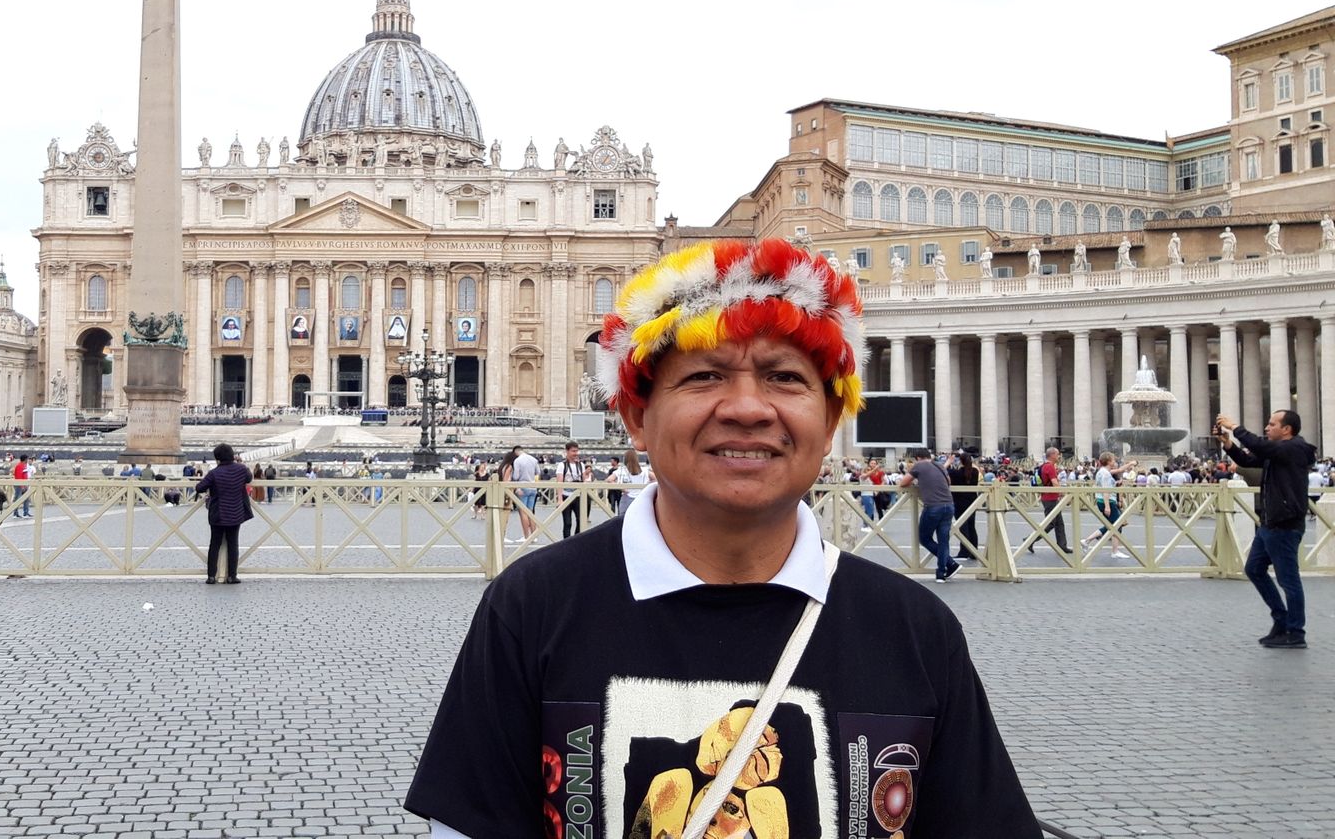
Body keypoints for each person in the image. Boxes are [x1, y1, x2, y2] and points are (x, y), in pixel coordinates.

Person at [406, 237, 1035, 837]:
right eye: (703, 377)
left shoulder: (916, 629)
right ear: (636, 418)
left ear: (832, 416)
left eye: (784, 377)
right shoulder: (530, 610)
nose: (747, 408)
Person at [1218, 410, 1317, 649]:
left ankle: (1296, 631)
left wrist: (1235, 427)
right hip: (1270, 522)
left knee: (1289, 580)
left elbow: (1260, 446)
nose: (1266, 428)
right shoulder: (1278, 451)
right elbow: (1248, 460)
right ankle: (1281, 620)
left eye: (1272, 424)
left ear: (1287, 429)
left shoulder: (1294, 448)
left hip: (1284, 523)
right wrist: (1229, 444)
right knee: (1254, 569)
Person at [195, 443, 253, 584]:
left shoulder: (214, 473)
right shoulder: (241, 470)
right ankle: (232, 576)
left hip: (218, 514)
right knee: (233, 545)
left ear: (217, 458)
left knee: (214, 544)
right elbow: (249, 478)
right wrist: (241, 463)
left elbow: (199, 487)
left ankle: (211, 576)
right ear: (232, 456)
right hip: (236, 513)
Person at [901, 447, 961, 581]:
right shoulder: (939, 466)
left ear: (917, 458)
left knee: (925, 538)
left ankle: (950, 563)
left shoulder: (919, 466)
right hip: (949, 505)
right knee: (943, 541)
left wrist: (918, 481)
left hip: (934, 506)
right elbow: (948, 482)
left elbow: (903, 483)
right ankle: (941, 574)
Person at [1083, 452, 1136, 559]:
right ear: (1109, 461)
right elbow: (1106, 490)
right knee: (1117, 525)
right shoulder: (1106, 474)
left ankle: (1087, 541)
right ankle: (1114, 551)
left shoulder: (1102, 471)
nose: (1115, 461)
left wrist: (1130, 464)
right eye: (1113, 460)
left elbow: (1120, 470)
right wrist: (1107, 506)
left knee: (1112, 525)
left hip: (1102, 501)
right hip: (1107, 501)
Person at [1021, 446, 1067, 554]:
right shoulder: (1050, 467)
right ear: (1052, 455)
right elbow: (1055, 483)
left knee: (1059, 523)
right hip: (1050, 498)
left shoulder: (1044, 466)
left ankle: (1062, 545)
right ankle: (1029, 540)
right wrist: (1064, 493)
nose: (1059, 456)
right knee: (1050, 523)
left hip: (1049, 497)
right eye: (1057, 454)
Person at [947, 452, 982, 557]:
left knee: (962, 527)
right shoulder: (975, 472)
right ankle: (973, 551)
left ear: (960, 461)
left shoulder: (955, 473)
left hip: (959, 502)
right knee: (971, 526)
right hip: (972, 501)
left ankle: (964, 551)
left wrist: (949, 462)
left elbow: (942, 471)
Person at [609, 447, 652, 518]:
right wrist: (647, 486)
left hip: (627, 497)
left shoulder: (621, 470)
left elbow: (609, 479)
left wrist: (621, 487)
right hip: (641, 497)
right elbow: (656, 479)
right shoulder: (644, 470)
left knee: (622, 520)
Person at [556, 441, 586, 538]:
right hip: (566, 496)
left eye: (577, 451)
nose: (575, 453)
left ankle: (576, 540)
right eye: (573, 451)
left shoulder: (581, 465)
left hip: (578, 496)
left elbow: (584, 481)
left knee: (581, 521)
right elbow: (559, 482)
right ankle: (566, 543)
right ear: (567, 451)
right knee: (567, 522)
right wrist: (559, 499)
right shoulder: (562, 465)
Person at [11, 453, 33, 518]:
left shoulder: (24, 465)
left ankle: (26, 512)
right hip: (19, 485)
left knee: (26, 499)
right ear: (25, 459)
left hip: (24, 484)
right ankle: (15, 513)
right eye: (27, 459)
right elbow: (18, 477)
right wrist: (22, 486)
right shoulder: (19, 466)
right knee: (17, 499)